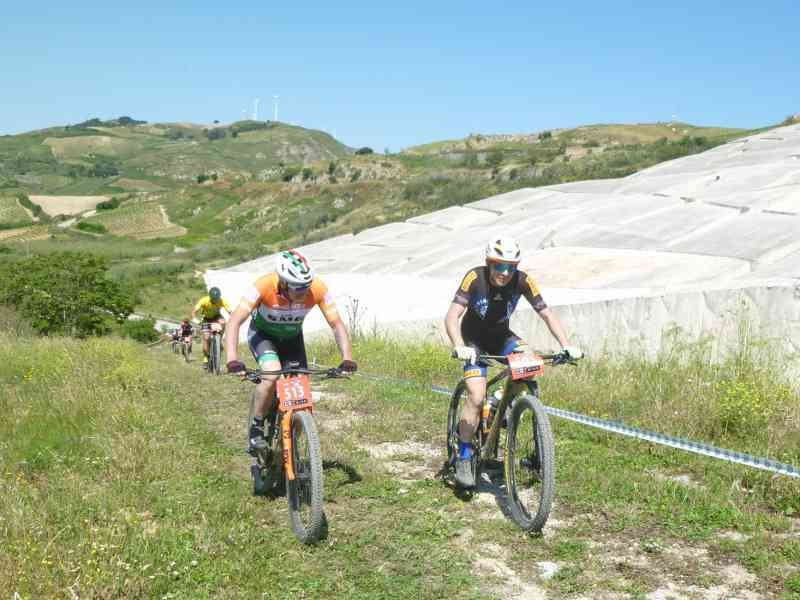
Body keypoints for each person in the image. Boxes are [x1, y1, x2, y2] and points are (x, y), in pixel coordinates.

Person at [444, 235, 583, 488]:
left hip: (501, 337)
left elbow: (547, 313)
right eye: (499, 265)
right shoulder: (475, 277)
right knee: (476, 396)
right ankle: (464, 455)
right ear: (489, 263)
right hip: (473, 340)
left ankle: (497, 401)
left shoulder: (524, 281)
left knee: (528, 365)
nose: (505, 272)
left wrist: (566, 345)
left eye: (511, 267)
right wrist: (458, 345)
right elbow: (452, 315)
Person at [225, 249, 357, 452]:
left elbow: (336, 324)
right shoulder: (263, 285)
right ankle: (257, 428)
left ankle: (290, 445)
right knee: (271, 375)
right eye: (297, 288)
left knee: (300, 394)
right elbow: (234, 321)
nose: (303, 292)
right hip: (263, 336)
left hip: (292, 340)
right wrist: (232, 359)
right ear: (283, 283)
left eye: (306, 286)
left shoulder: (318, 288)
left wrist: (347, 359)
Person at [191, 287, 231, 368]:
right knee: (206, 338)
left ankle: (219, 338)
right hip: (206, 319)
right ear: (210, 297)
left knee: (223, 322)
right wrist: (195, 319)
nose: (216, 300)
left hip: (217, 317)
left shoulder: (222, 301)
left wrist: (233, 319)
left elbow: (230, 311)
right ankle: (205, 358)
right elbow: (194, 311)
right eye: (214, 299)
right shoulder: (204, 300)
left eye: (217, 299)